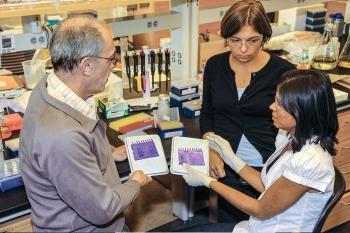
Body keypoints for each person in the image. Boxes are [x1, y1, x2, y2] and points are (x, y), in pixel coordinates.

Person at [19, 16, 152, 232]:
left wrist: (108, 151)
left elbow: (82, 139)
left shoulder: (47, 88)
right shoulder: (63, 138)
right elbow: (103, 209)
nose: (114, 65)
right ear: (87, 65)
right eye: (111, 58)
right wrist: (135, 182)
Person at [183, 69, 339, 232]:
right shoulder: (292, 136)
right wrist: (232, 159)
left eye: (280, 103)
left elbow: (260, 210)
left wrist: (208, 182)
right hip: (258, 226)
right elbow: (268, 186)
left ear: (302, 111)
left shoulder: (310, 160)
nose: (272, 107)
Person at [200, 0, 295, 220]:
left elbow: (293, 126)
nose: (243, 49)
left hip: (264, 170)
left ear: (264, 37)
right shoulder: (214, 66)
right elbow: (207, 113)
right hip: (223, 167)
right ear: (225, 37)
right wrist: (213, 149)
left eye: (253, 40)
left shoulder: (283, 72)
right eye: (235, 40)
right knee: (230, 224)